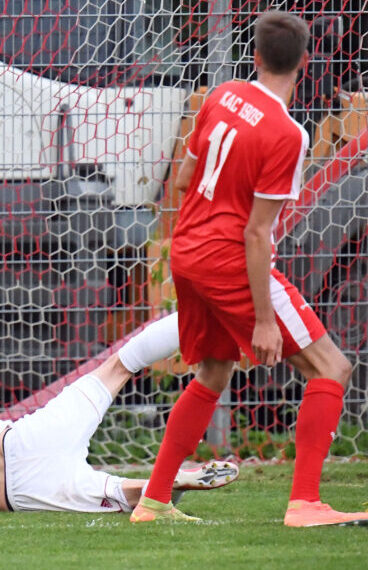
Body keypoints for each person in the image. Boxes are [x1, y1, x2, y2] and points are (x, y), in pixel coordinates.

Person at [131, 11, 366, 527]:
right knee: (332, 367)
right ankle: (305, 503)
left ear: (254, 56)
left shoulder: (221, 95)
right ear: (305, 63)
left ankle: (153, 500)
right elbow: (257, 233)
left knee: (214, 370)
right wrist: (263, 320)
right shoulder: (288, 134)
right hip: (229, 261)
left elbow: (185, 177)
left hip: (187, 253)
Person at [0, 313, 240, 514]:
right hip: (24, 439)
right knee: (119, 366)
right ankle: (199, 316)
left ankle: (157, 485)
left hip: (16, 494)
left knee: (112, 493)